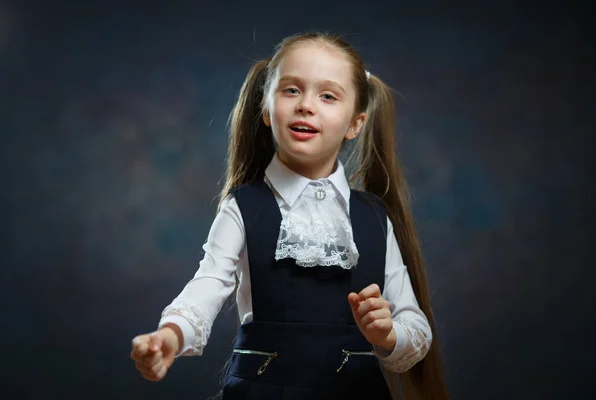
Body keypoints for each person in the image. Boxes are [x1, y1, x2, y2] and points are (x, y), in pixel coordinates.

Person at [130, 31, 450, 400]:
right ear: (266, 110)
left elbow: (414, 325)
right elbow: (208, 283)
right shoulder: (243, 207)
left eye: (328, 96)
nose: (306, 106)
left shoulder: (374, 218)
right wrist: (170, 335)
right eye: (291, 90)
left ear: (355, 124)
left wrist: (388, 334)